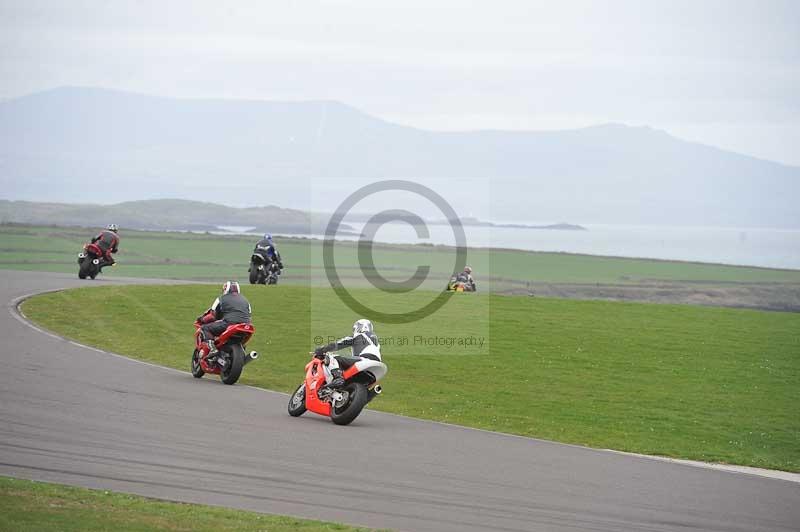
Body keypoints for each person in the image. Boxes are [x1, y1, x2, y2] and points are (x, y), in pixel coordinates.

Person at [313, 319, 380, 389]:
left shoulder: (359, 335)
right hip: (377, 366)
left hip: (365, 360)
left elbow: (338, 344)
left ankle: (338, 378)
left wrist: (322, 349)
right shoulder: (376, 341)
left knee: (335, 358)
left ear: (359, 327)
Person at [196, 281, 252, 358]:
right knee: (242, 341)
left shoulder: (221, 298)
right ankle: (241, 351)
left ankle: (212, 348)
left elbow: (212, 316)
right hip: (246, 326)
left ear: (226, 289)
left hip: (230, 323)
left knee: (205, 328)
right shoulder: (246, 300)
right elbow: (249, 316)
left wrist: (202, 319)